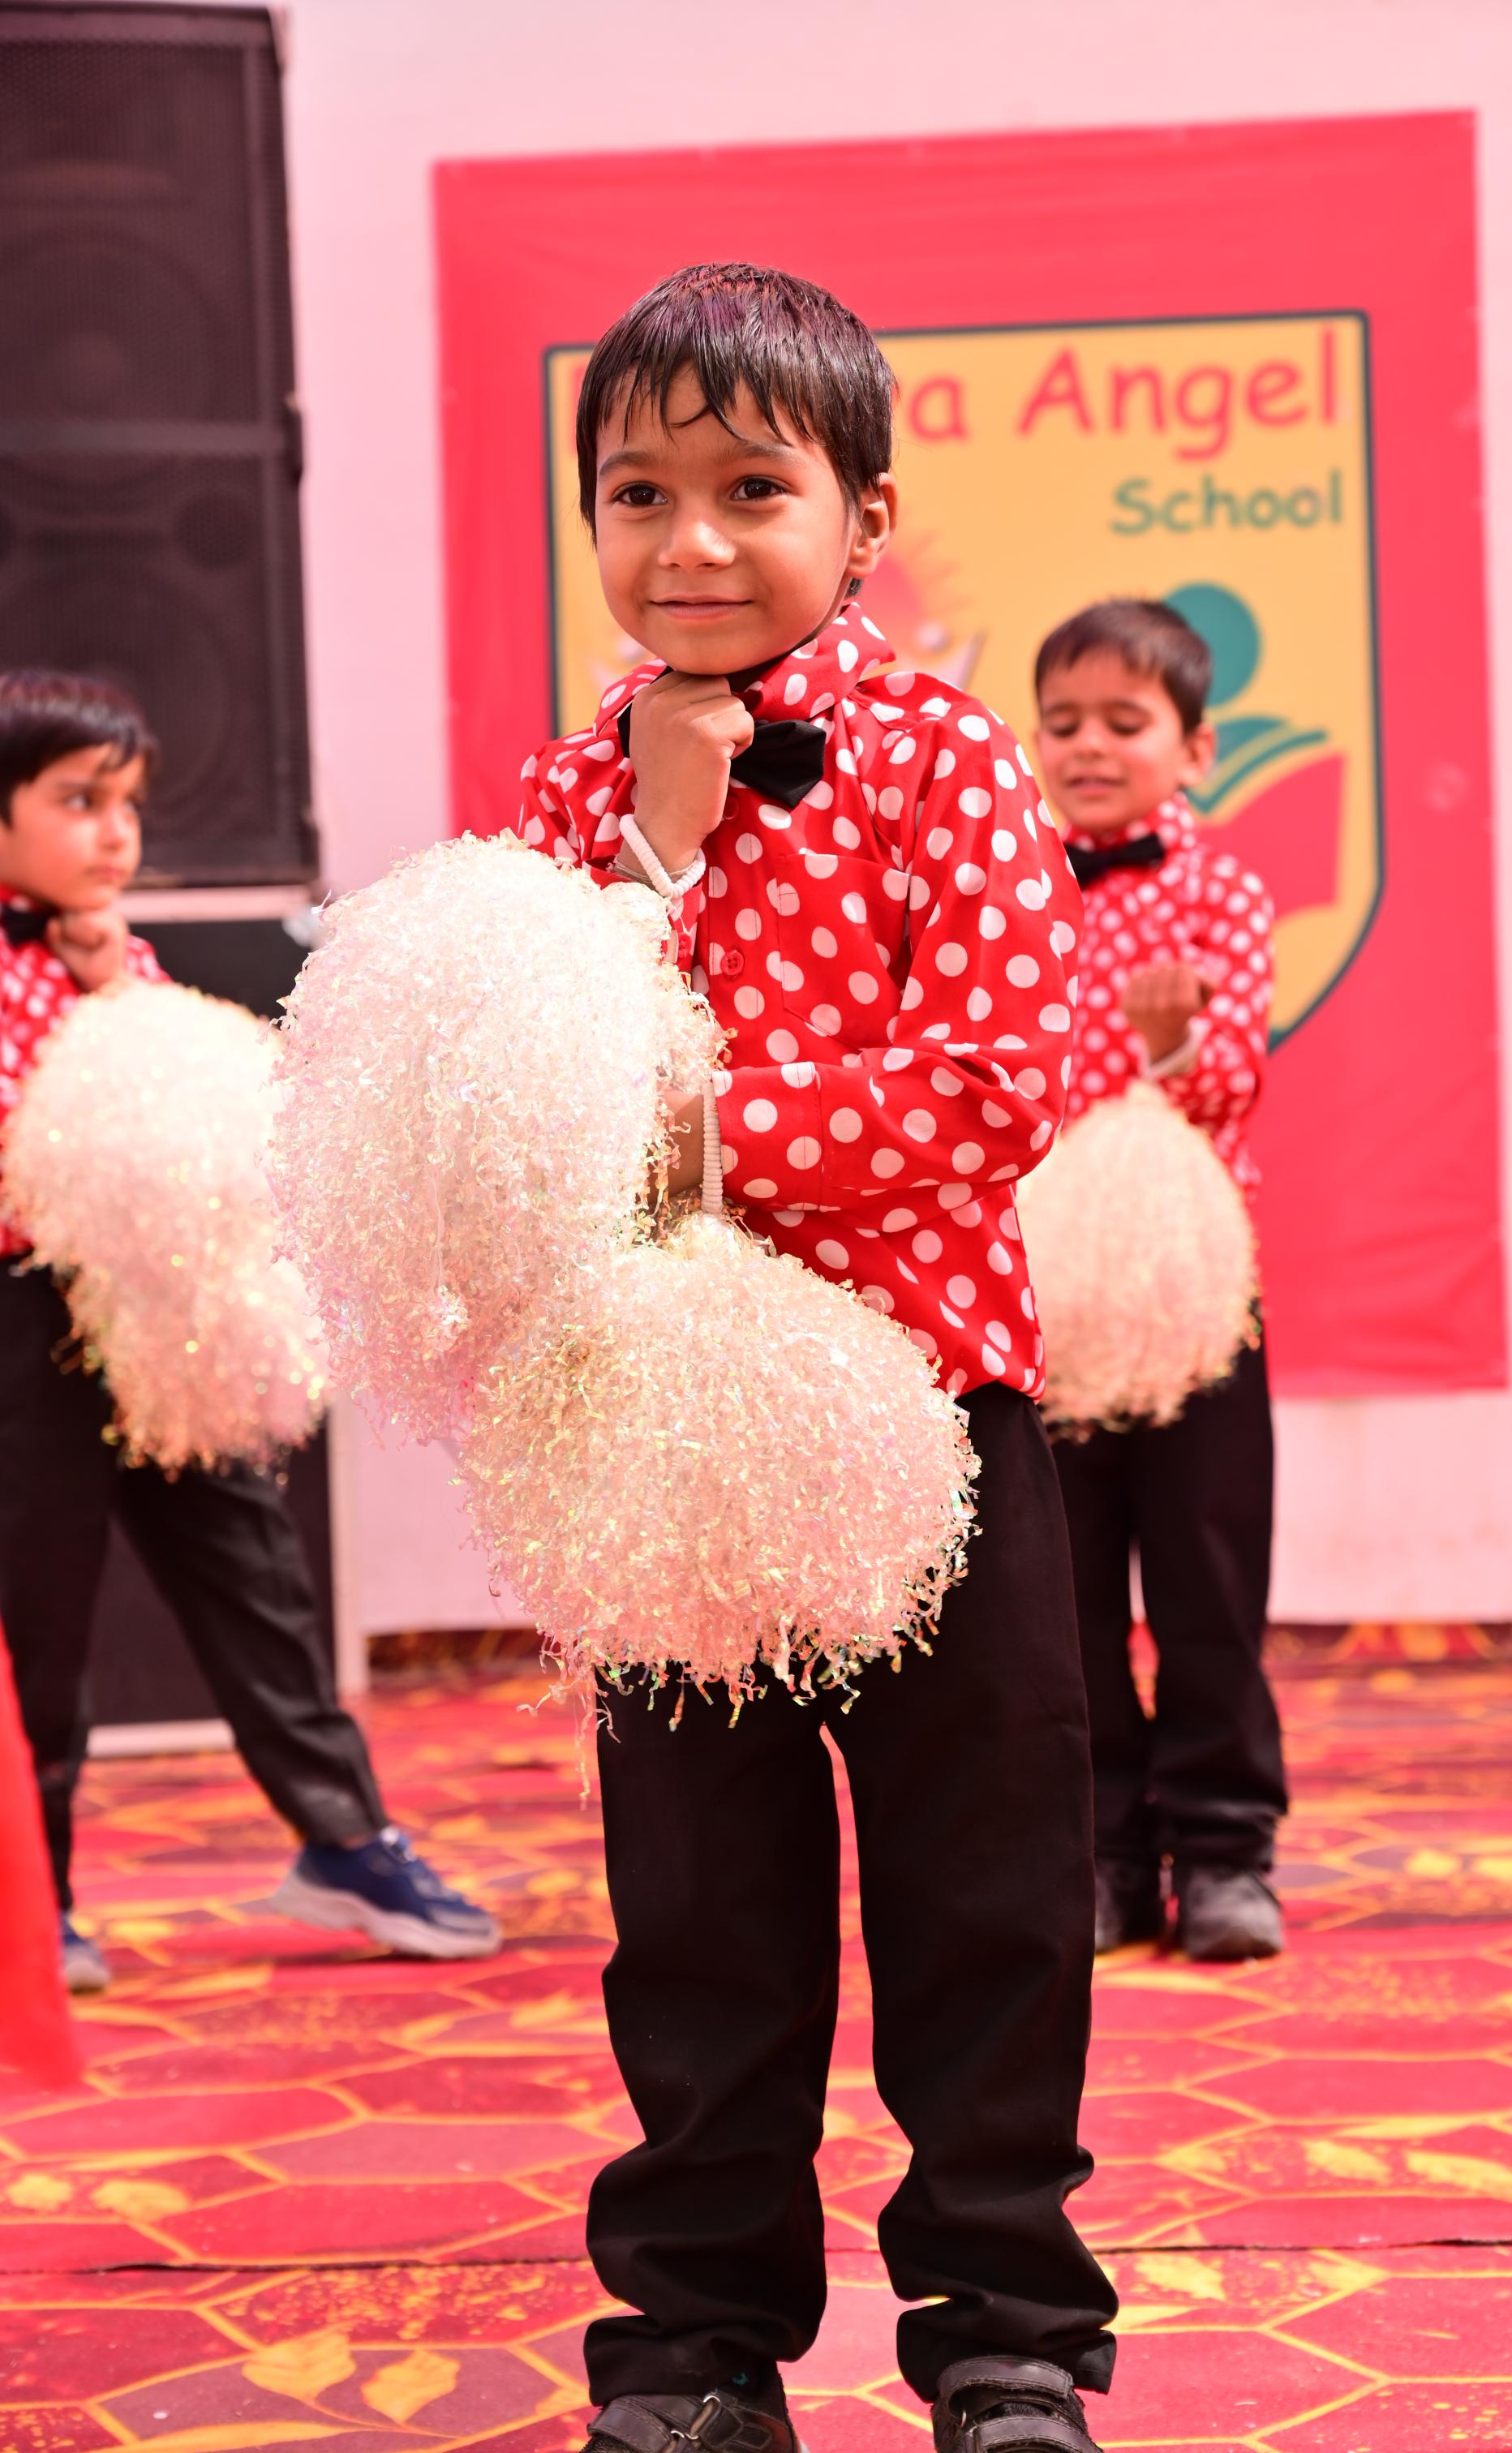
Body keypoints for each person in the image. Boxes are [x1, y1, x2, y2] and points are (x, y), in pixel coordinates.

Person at [520, 264, 1117, 2453]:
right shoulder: (560, 795)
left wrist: (690, 1137)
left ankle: (1007, 2328)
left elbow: (1002, 1079)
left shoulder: (940, 756)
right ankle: (693, 2343)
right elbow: (518, 1107)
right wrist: (654, 848)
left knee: (986, 1887)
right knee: (697, 1910)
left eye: (750, 490)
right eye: (636, 492)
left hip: (931, 1414)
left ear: (861, 518)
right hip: (664, 1441)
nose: (688, 541)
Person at [0, 668, 501, 1992]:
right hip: (25, 1325)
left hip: (160, 1312)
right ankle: (33, 1899)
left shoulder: (119, 957)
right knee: (36, 1616)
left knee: (254, 1577)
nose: (115, 833)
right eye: (77, 802)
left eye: (128, 805)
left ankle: (346, 1839)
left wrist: (114, 989)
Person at [1031, 599, 1288, 1965]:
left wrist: (1175, 1047)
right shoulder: (1010, 892)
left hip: (1193, 1305)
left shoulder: (1221, 893)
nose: (1087, 746)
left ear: (1193, 749)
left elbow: (1235, 1078)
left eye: (1122, 723)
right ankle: (1105, 1857)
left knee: (1206, 1587)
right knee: (1063, 1603)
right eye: (1063, 722)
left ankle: (1228, 1849)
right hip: (1046, 1310)